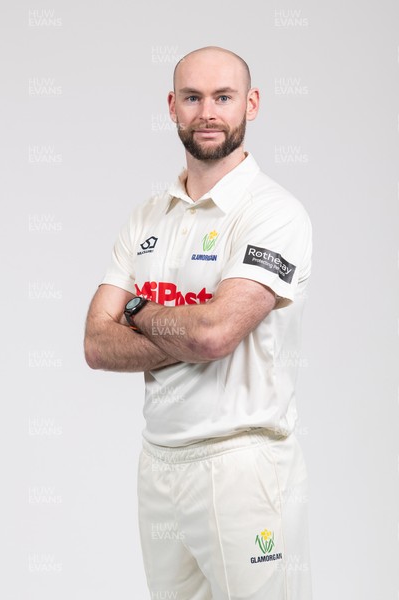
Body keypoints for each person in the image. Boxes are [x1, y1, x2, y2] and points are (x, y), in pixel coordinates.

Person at [84, 46, 312, 600]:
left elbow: (214, 335)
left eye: (223, 97)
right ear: (172, 106)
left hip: (242, 464)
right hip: (159, 460)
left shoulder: (272, 212)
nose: (207, 112)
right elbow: (95, 342)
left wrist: (137, 312)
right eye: (192, 97)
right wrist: (189, 330)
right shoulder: (147, 216)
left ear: (251, 104)